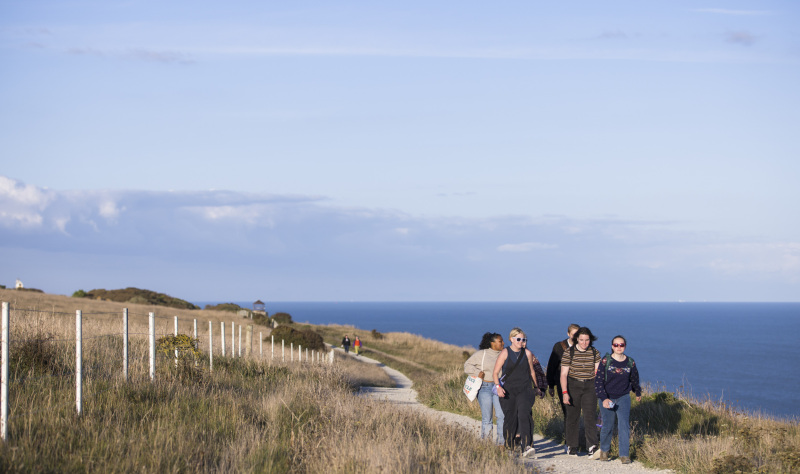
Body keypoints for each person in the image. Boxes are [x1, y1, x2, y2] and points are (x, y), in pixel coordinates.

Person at [492, 328, 546, 458]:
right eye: (518, 339)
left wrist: (537, 387)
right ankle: (509, 445)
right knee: (510, 418)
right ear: (511, 339)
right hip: (508, 391)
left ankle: (527, 446)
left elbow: (532, 371)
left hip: (525, 389)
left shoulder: (527, 353)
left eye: (523, 339)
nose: (521, 342)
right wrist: (498, 387)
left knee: (524, 414)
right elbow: (495, 372)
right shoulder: (505, 353)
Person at [595, 335, 642, 464]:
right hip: (607, 397)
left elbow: (634, 379)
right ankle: (604, 452)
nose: (619, 347)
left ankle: (624, 455)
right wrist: (604, 398)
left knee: (624, 426)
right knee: (607, 426)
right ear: (612, 346)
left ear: (625, 346)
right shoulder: (605, 361)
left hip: (623, 397)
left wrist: (638, 392)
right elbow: (598, 382)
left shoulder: (630, 362)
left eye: (621, 345)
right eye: (616, 345)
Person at [560, 326, 601, 456]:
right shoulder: (569, 352)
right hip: (573, 385)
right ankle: (571, 445)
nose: (584, 343)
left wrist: (600, 390)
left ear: (591, 340)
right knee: (573, 416)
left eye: (587, 340)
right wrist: (565, 393)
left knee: (590, 416)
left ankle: (592, 446)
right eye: (582, 340)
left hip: (590, 386)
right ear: (577, 339)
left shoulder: (595, 352)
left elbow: (597, 372)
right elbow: (563, 375)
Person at [463, 332, 506, 445]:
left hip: (499, 388)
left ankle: (501, 444)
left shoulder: (504, 354)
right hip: (484, 388)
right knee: (487, 418)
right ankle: (486, 444)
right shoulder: (481, 354)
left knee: (501, 416)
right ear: (492, 343)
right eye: (500, 341)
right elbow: (467, 366)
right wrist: (477, 372)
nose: (503, 343)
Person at [547, 323, 581, 418]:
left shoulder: (582, 347)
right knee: (567, 410)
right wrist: (551, 385)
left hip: (578, 383)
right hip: (562, 383)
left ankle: (574, 431)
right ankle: (569, 432)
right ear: (568, 334)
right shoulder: (559, 346)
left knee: (576, 410)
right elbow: (551, 366)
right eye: (574, 334)